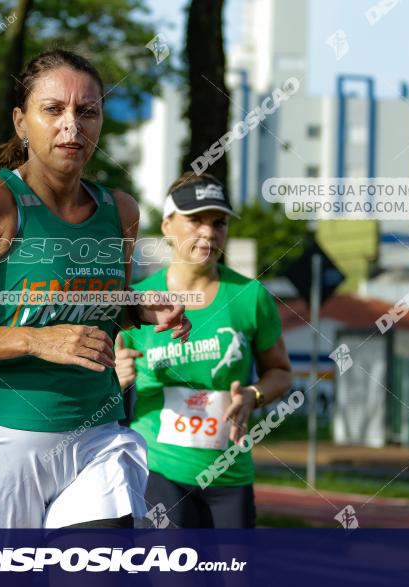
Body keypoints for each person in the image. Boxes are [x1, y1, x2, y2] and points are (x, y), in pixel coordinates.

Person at [0, 49, 191, 529]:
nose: (71, 125)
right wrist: (35, 340)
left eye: (87, 111)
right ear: (21, 121)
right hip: (1, 445)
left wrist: (138, 308)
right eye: (53, 110)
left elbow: (95, 308)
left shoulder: (121, 211)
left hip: (96, 438)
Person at [116, 172, 293, 528]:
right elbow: (94, 391)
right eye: (195, 220)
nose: (209, 233)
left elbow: (281, 372)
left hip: (229, 477)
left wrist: (253, 394)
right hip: (159, 470)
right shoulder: (136, 300)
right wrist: (115, 380)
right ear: (167, 225)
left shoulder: (251, 295)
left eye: (219, 222)